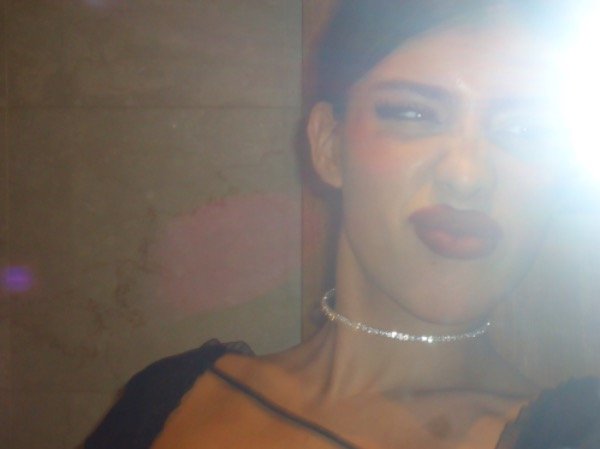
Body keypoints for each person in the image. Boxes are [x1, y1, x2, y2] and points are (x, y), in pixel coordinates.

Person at [85, 1, 600, 448]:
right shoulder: (167, 398)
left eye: (527, 129)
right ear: (329, 146)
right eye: (413, 114)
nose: (467, 177)